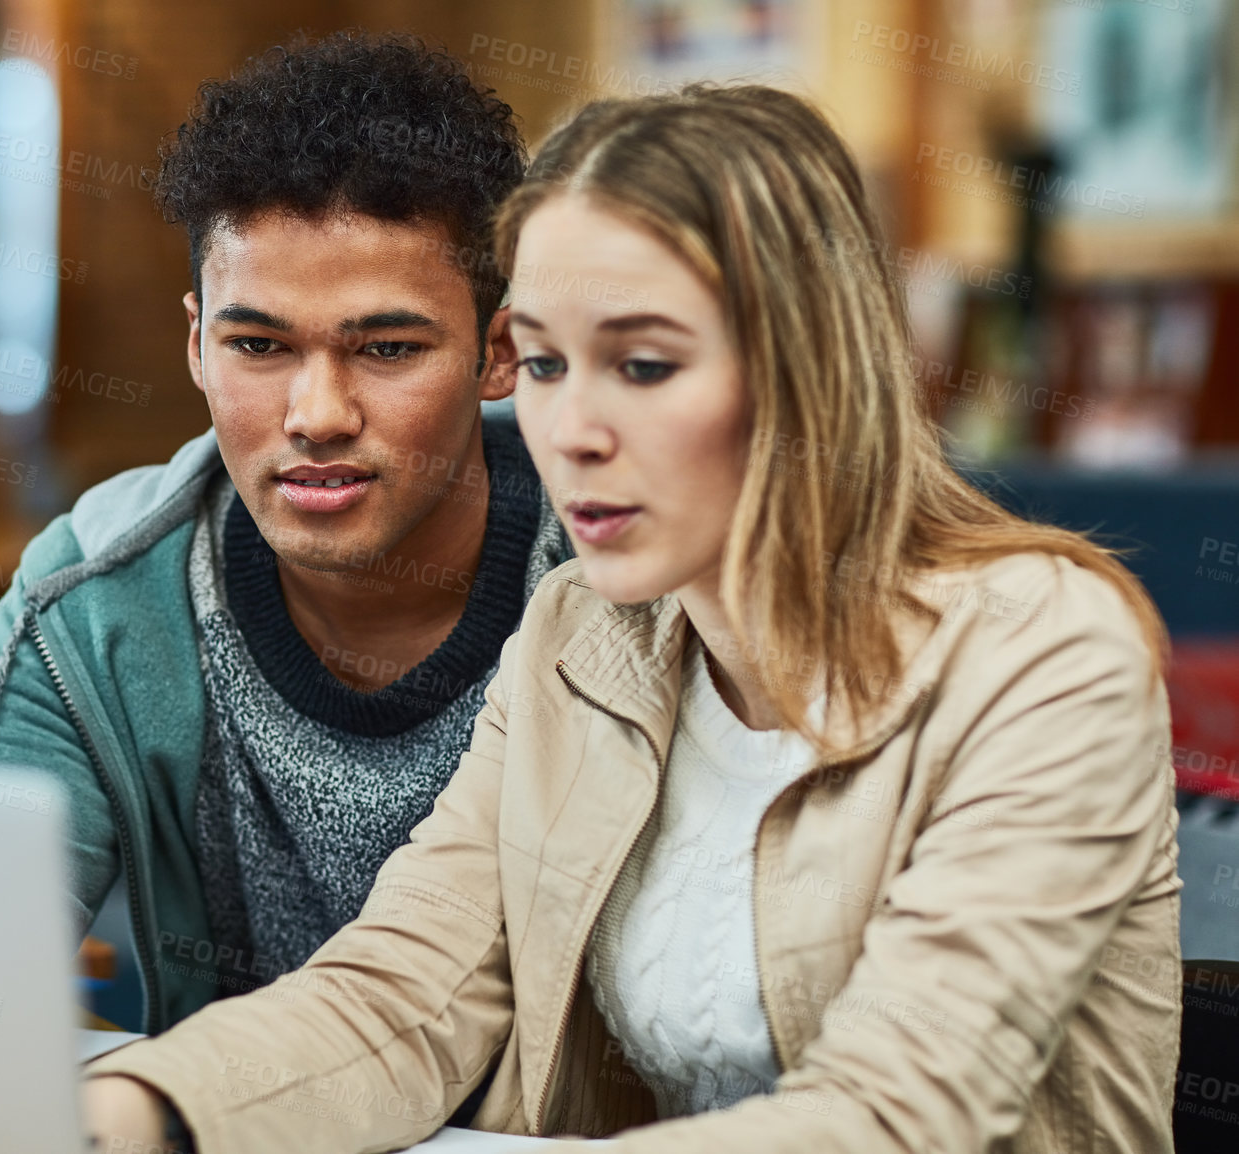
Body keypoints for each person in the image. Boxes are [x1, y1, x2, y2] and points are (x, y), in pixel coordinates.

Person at [82, 84, 1181, 1153]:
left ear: (807, 374)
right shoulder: (579, 634)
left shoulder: (1040, 648)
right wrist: (130, 1112)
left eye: (643, 365)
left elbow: (895, 1118)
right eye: (548, 364)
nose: (571, 430)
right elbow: (405, 993)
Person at [0, 31, 570, 1034]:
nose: (316, 411)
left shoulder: (612, 565)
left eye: (386, 346)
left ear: (500, 351)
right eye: (258, 344)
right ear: (196, 342)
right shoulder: (95, 602)